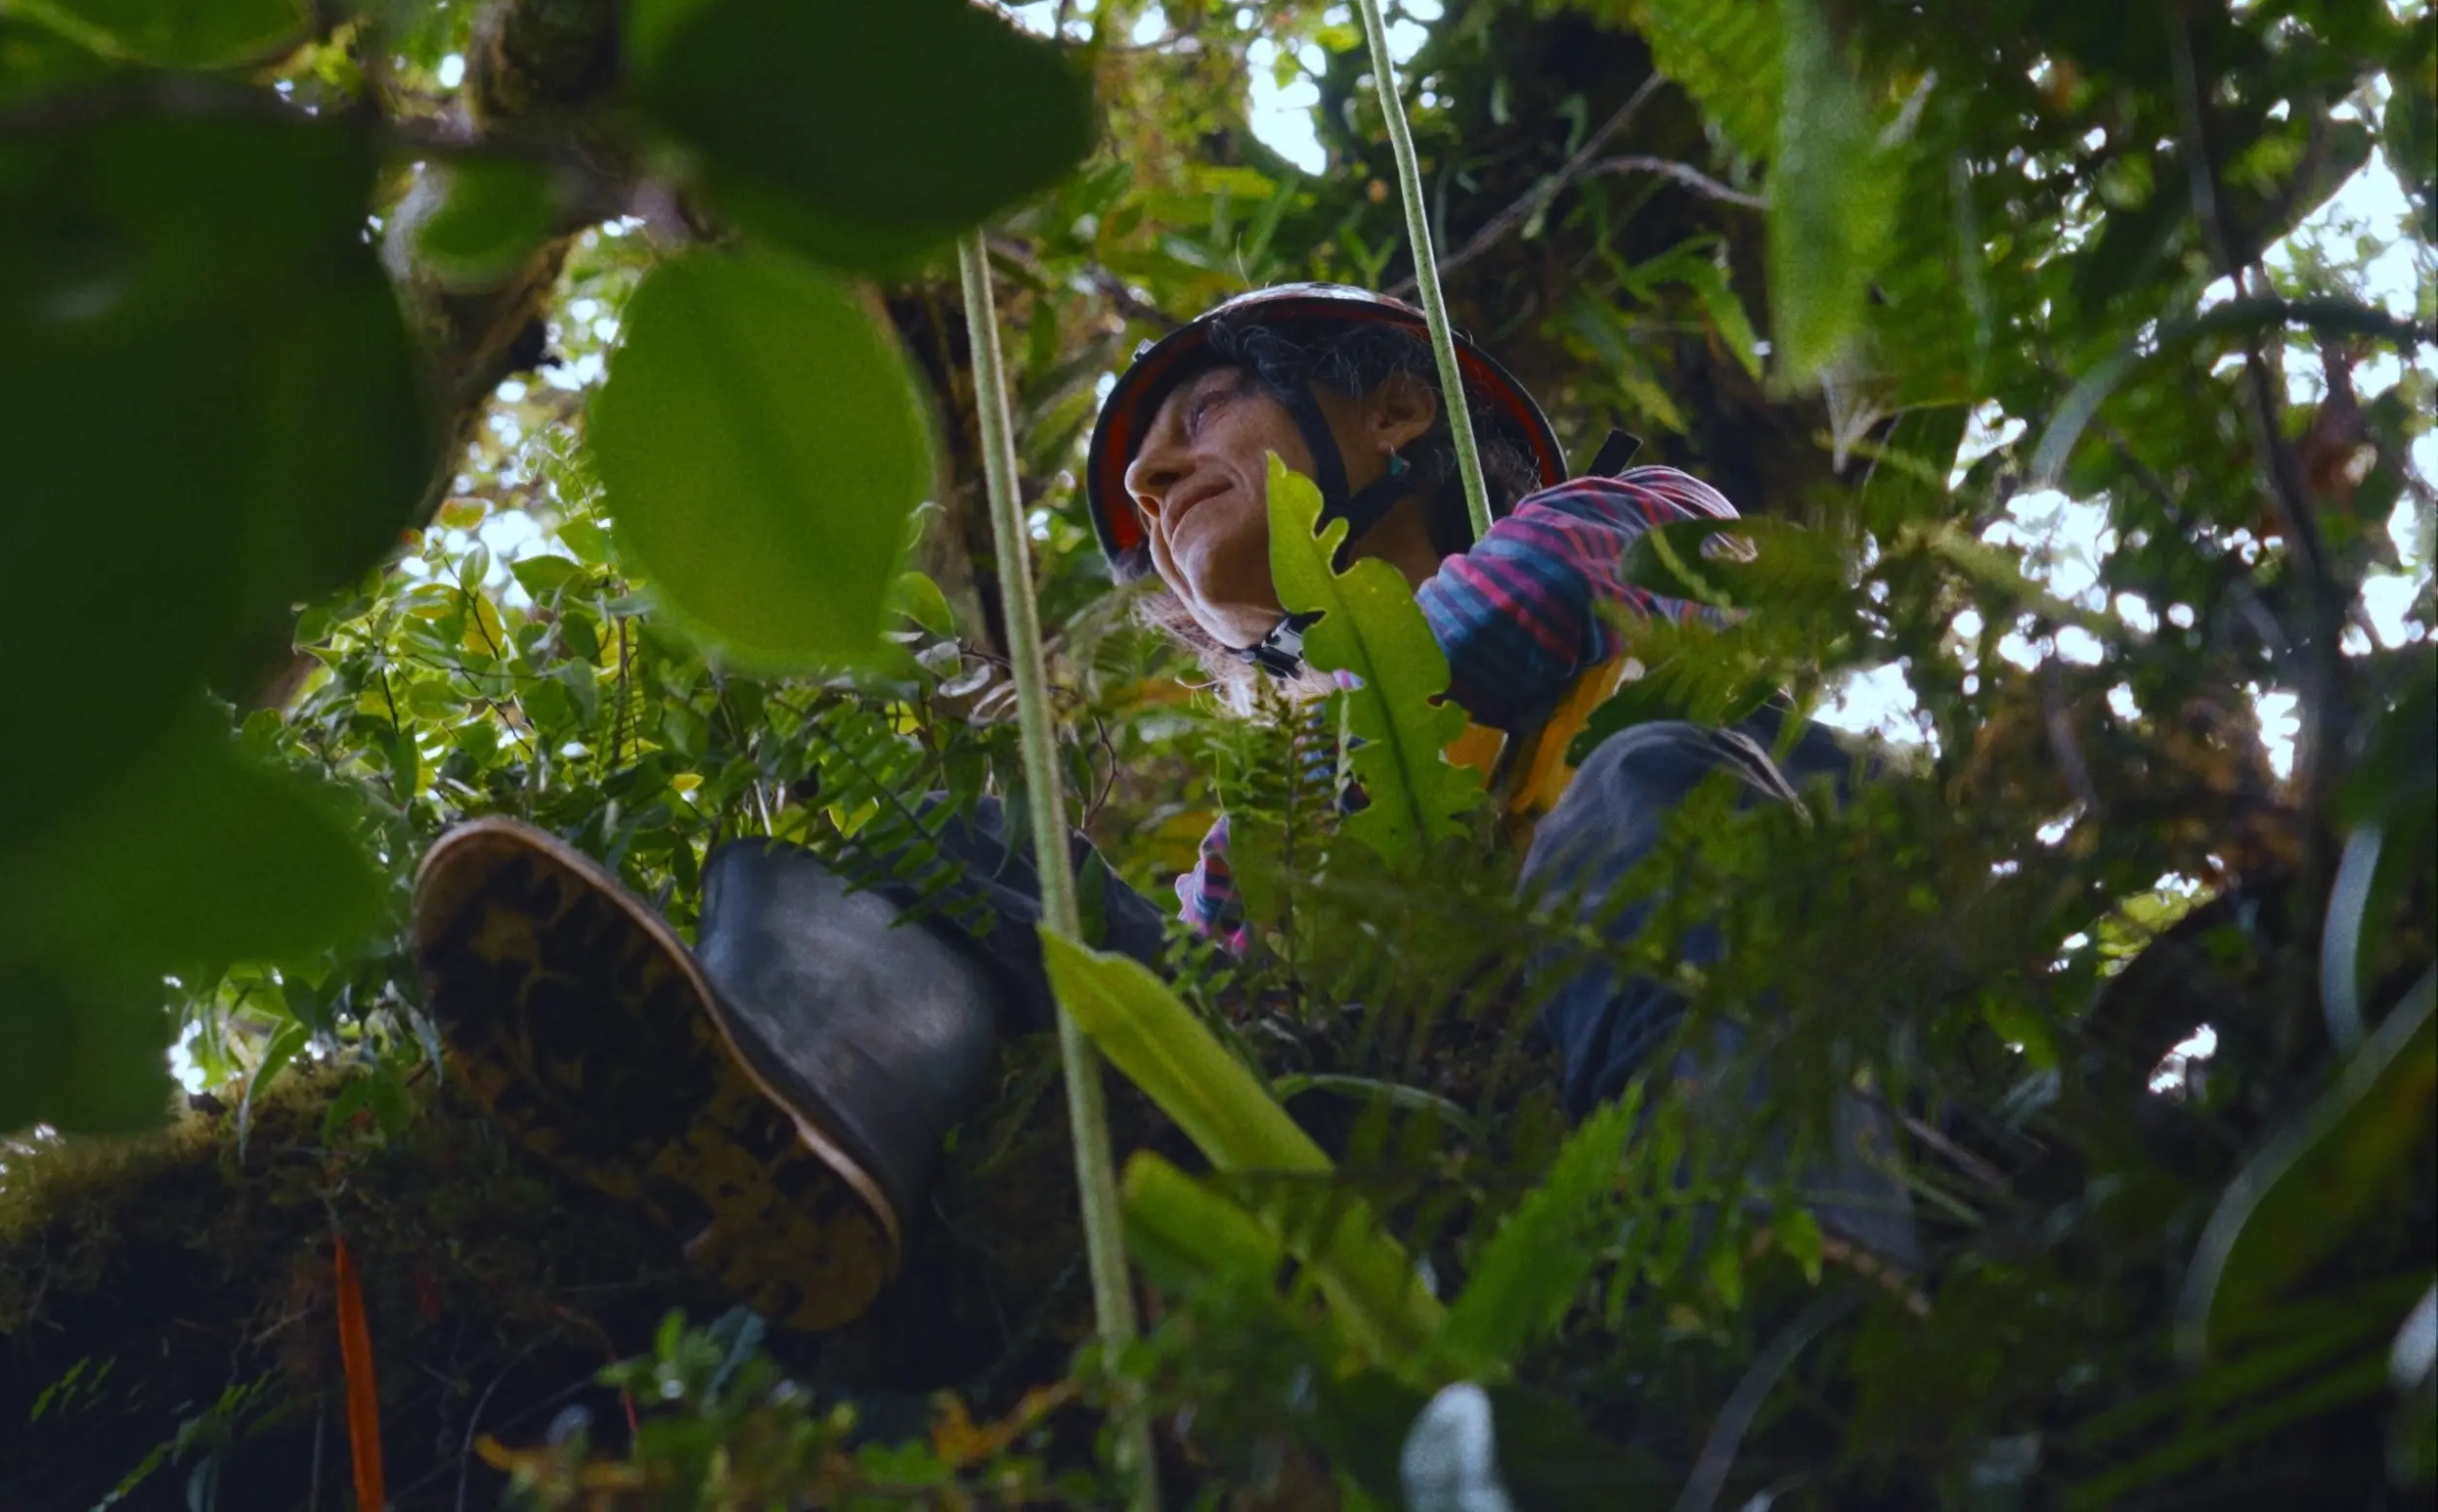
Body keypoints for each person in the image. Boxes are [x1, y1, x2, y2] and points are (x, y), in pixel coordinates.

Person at [410, 284, 1911, 1333]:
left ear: (1395, 414)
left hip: (1651, 956)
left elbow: (1488, 638)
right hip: (1386, 1133)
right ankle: (789, 1115)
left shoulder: (1609, 516)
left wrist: (1326, 712)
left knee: (1648, 789)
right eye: (1145, 471)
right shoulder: (1250, 848)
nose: (1151, 466)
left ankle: (1789, 1277)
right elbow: (1234, 1021)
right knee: (975, 855)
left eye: (1203, 409)